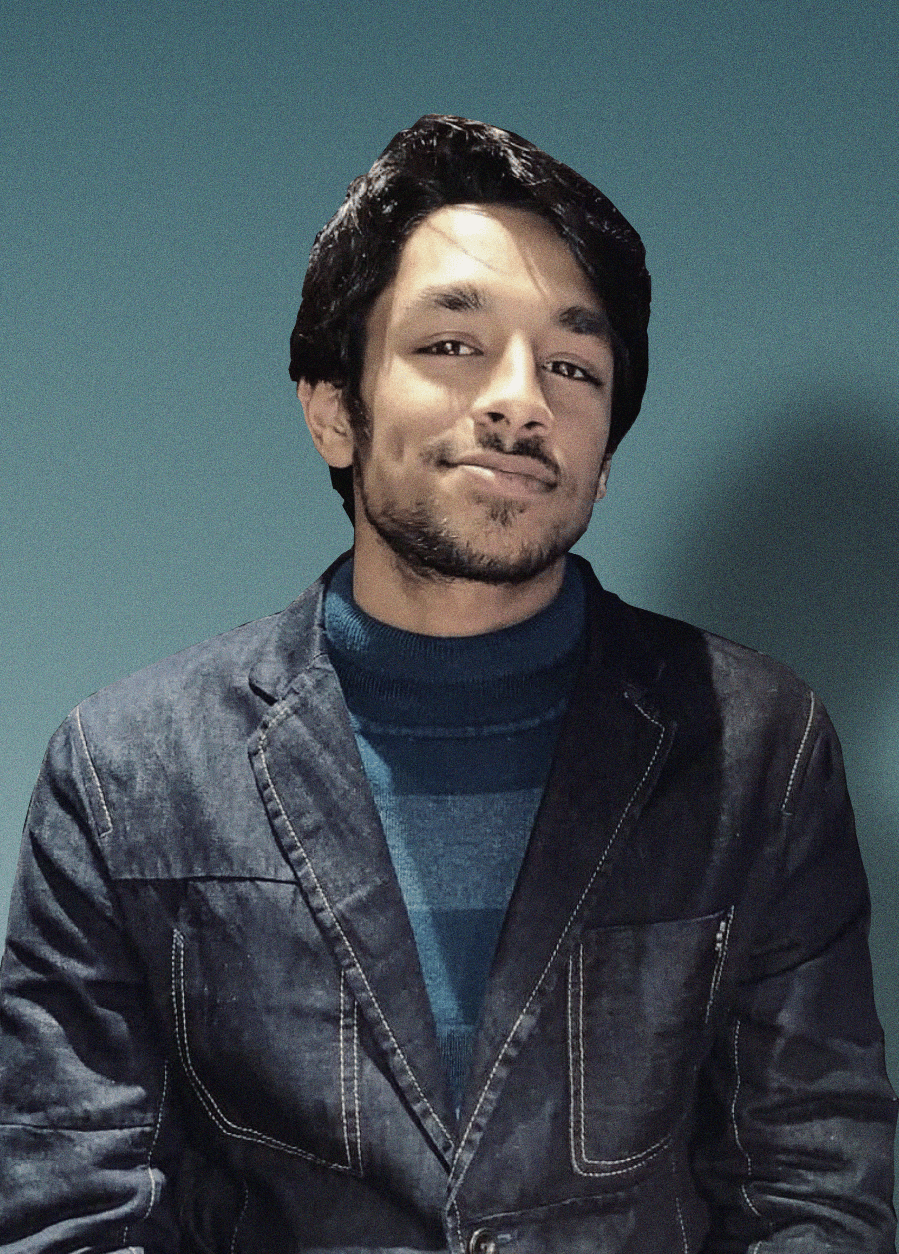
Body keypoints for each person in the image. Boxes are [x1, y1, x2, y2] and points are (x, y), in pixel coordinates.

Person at [0, 115, 895, 1254]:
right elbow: (69, 1210)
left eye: (571, 366)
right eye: (453, 344)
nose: (520, 400)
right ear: (333, 409)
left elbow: (812, 1189)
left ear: (604, 459)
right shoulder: (128, 769)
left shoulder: (755, 743)